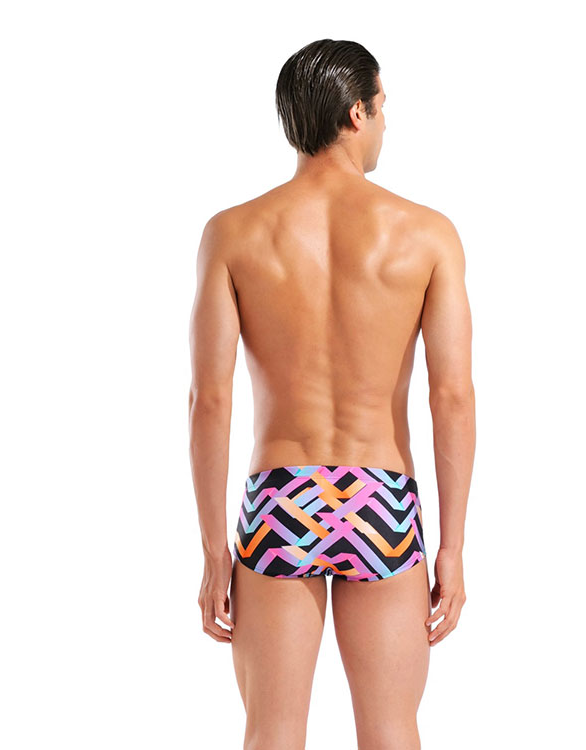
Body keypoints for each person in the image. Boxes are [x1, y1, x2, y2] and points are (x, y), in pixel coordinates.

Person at [188, 38, 476, 750]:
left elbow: (210, 400)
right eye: (382, 108)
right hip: (380, 501)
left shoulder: (232, 234)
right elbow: (451, 396)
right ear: (356, 114)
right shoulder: (427, 235)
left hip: (281, 500)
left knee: (272, 732)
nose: (385, 124)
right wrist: (451, 547)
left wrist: (215, 550)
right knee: (390, 731)